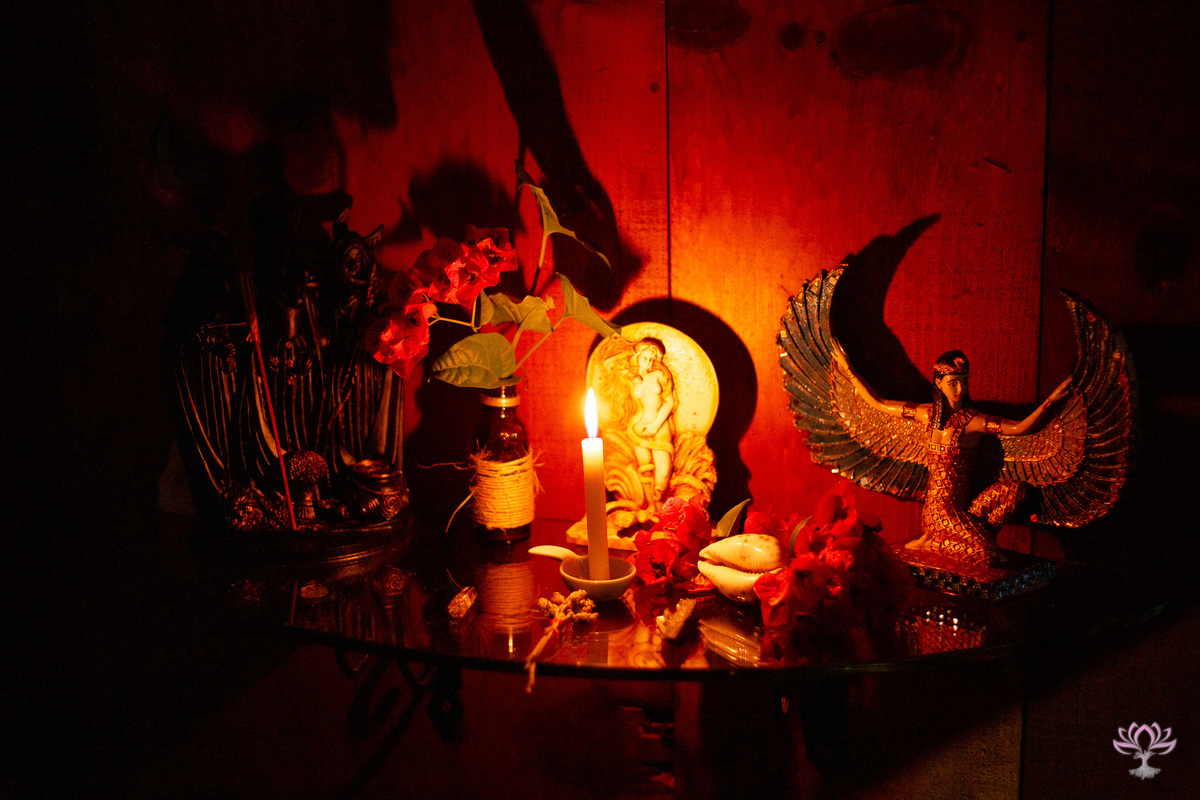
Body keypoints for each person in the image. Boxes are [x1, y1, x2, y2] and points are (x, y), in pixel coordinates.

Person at [837, 348, 1071, 566]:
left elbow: (1019, 428)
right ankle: (935, 542)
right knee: (986, 555)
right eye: (953, 383)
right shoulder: (926, 414)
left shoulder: (972, 420)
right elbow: (880, 404)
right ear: (939, 383)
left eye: (964, 381)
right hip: (938, 513)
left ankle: (960, 538)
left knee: (1016, 490)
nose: (960, 389)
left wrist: (1050, 402)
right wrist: (850, 371)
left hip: (965, 509)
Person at [628, 338, 676, 505]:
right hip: (638, 427)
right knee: (644, 467)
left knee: (663, 471)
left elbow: (670, 402)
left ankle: (661, 500)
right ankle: (648, 503)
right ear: (638, 357)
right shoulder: (633, 379)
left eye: (651, 359)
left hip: (659, 427)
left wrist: (656, 424)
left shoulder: (660, 375)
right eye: (644, 358)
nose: (648, 362)